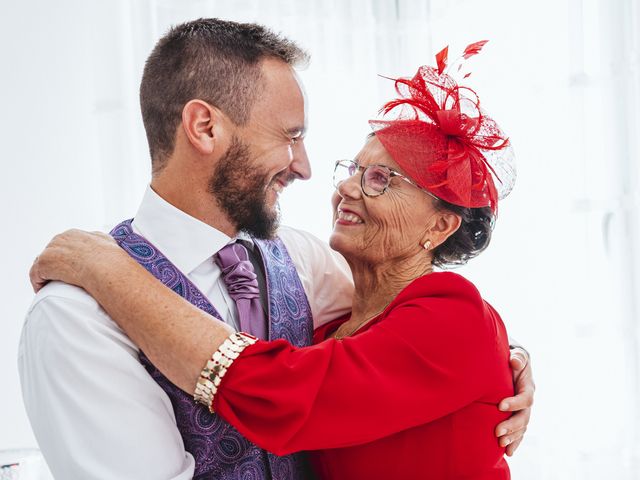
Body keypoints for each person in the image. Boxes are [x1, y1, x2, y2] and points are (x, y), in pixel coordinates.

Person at [29, 41, 531, 479]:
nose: (322, 177)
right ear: (204, 127)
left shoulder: (301, 260)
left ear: (442, 225)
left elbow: (292, 390)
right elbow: (389, 337)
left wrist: (106, 270)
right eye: (291, 136)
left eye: (381, 180)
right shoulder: (74, 316)